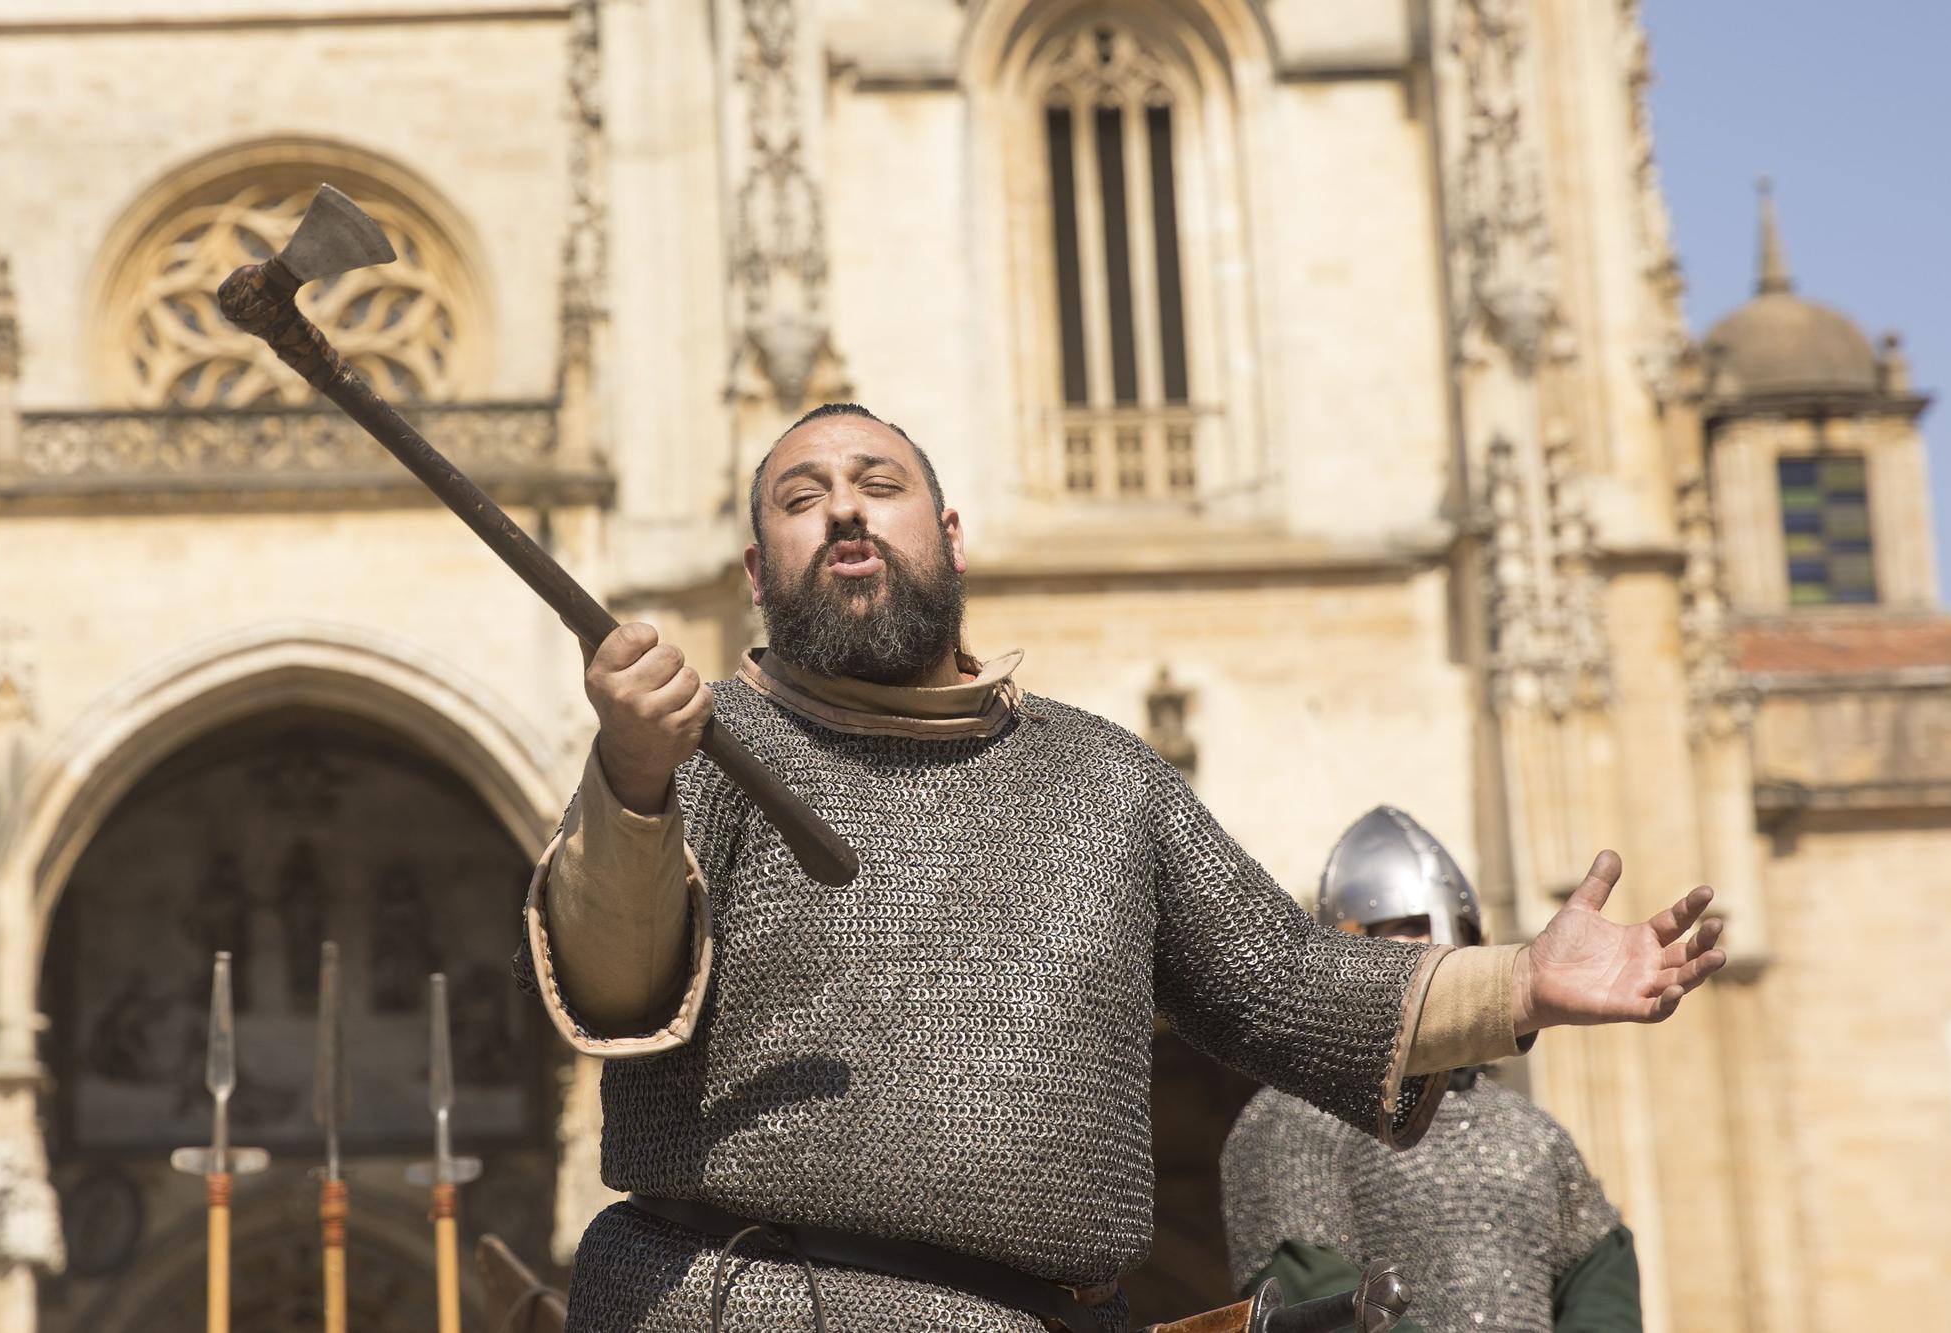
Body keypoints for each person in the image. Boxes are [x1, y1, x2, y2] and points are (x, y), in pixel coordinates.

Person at [515, 403, 1724, 1332]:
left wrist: (1517, 983)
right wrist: (630, 778)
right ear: (752, 567)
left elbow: (1289, 984)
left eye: (877, 486)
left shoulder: (1100, 780)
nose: (842, 511)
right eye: (801, 496)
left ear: (948, 538)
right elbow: (615, 986)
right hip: (734, 1308)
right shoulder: (711, 750)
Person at [1221, 807, 1645, 1332]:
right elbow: (1317, 1304)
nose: (1425, 954)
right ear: (1342, 956)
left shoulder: (1536, 1137)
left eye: (1440, 932)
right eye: (1397, 932)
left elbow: (1601, 1285)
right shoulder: (1293, 1120)